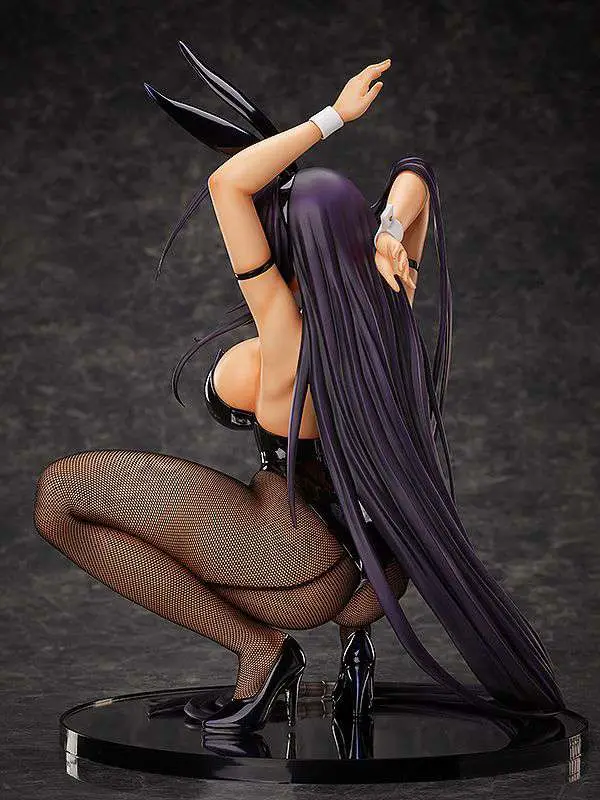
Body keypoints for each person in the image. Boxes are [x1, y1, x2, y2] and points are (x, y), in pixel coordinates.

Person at [33, 47, 569, 735]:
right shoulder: (389, 304)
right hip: (378, 574)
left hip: (295, 565)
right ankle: (356, 647)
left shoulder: (285, 332)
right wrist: (388, 230)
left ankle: (260, 650)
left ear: (286, 241)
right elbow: (416, 174)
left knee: (61, 497)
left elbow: (227, 185)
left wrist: (332, 117)